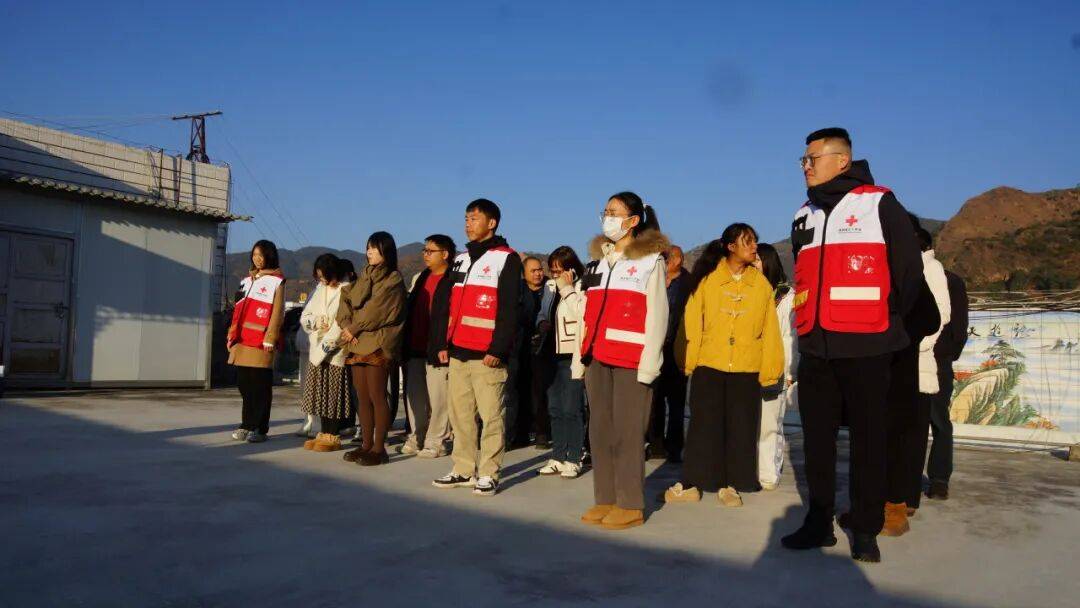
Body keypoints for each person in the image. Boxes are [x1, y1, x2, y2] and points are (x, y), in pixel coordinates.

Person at [780, 128, 923, 564]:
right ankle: (819, 522)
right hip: (816, 348)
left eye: (813, 158)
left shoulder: (879, 204)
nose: (806, 166)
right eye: (803, 160)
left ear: (842, 160)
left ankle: (864, 528)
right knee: (817, 443)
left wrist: (887, 327)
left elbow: (908, 275)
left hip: (866, 345)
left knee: (869, 442)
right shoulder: (804, 214)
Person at [665, 224, 783, 508]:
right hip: (709, 363)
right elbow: (691, 322)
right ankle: (691, 483)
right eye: (747, 241)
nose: (754, 247)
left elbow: (771, 331)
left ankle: (731, 485)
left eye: (755, 241)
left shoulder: (761, 285)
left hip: (747, 366)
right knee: (703, 427)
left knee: (741, 428)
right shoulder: (708, 281)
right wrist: (686, 359)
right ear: (731, 246)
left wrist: (771, 369)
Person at [576, 191, 669, 530]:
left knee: (627, 433)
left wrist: (650, 364)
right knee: (600, 431)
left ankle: (630, 504)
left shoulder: (650, 261)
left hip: (631, 358)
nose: (607, 218)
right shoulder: (598, 262)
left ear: (633, 220)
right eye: (605, 211)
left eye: (614, 212)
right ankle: (606, 497)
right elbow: (586, 312)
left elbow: (658, 315)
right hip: (596, 356)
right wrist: (579, 358)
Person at [432, 199, 521, 496]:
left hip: (486, 356)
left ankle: (489, 472)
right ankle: (463, 468)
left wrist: (498, 349)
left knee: (491, 415)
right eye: (466, 218)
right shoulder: (460, 259)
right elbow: (446, 304)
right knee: (460, 415)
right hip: (458, 350)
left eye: (474, 218)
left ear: (491, 223)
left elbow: (510, 308)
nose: (468, 224)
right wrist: (443, 342)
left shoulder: (506, 259)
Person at [338, 232, 407, 466]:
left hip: (378, 342)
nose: (370, 252)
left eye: (375, 248)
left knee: (377, 395)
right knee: (362, 396)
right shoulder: (364, 276)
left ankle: (379, 448)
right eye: (368, 247)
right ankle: (366, 444)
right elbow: (347, 299)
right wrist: (346, 325)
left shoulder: (393, 279)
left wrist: (354, 327)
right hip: (357, 342)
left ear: (386, 252)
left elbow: (377, 310)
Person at [400, 234, 456, 458]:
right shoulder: (422, 277)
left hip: (438, 347)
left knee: (439, 397)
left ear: (445, 254)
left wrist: (447, 343)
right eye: (424, 250)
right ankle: (417, 435)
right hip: (415, 345)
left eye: (430, 251)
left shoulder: (454, 279)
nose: (425, 255)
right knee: (415, 396)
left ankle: (437, 440)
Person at [535, 246, 587, 478]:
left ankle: (574, 457)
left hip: (570, 353)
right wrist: (541, 323)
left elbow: (581, 315)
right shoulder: (549, 287)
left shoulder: (582, 287)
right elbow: (542, 312)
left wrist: (567, 289)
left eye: (559, 270)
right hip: (549, 353)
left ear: (571, 269)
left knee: (572, 408)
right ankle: (557, 456)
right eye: (552, 270)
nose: (555, 275)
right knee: (555, 408)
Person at [227, 240, 286, 443]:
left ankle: (260, 428)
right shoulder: (246, 281)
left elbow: (278, 312)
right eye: (254, 255)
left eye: (261, 255)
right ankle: (247, 424)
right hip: (242, 340)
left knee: (260, 386)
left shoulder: (277, 281)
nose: (257, 259)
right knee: (244, 384)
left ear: (269, 256)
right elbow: (237, 310)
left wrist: (271, 337)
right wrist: (231, 334)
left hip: (261, 341)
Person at [754, 242, 798, 490]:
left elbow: (790, 338)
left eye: (757, 260)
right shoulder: (751, 293)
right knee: (750, 423)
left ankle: (768, 474)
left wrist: (790, 371)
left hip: (775, 369)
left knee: (770, 424)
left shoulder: (786, 298)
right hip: (750, 368)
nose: (753, 265)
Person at [298, 254, 353, 452]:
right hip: (317, 347)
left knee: (333, 394)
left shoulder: (346, 289)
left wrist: (325, 345)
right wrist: (315, 323)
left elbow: (342, 322)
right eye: (319, 276)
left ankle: (333, 434)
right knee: (320, 394)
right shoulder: (319, 290)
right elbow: (305, 316)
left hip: (335, 350)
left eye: (324, 276)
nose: (322, 280)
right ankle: (323, 431)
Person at [927, 267, 968, 500]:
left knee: (936, 421)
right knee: (933, 421)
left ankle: (938, 479)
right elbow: (960, 330)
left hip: (935, 361)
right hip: (923, 360)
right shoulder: (950, 280)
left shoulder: (950, 280)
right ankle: (934, 481)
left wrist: (946, 355)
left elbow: (960, 328)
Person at [647, 244, 690, 462]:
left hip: (677, 349)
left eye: (666, 259)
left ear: (676, 261)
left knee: (676, 403)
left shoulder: (689, 285)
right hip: (656, 347)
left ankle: (674, 446)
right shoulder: (655, 281)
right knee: (654, 400)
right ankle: (655, 444)